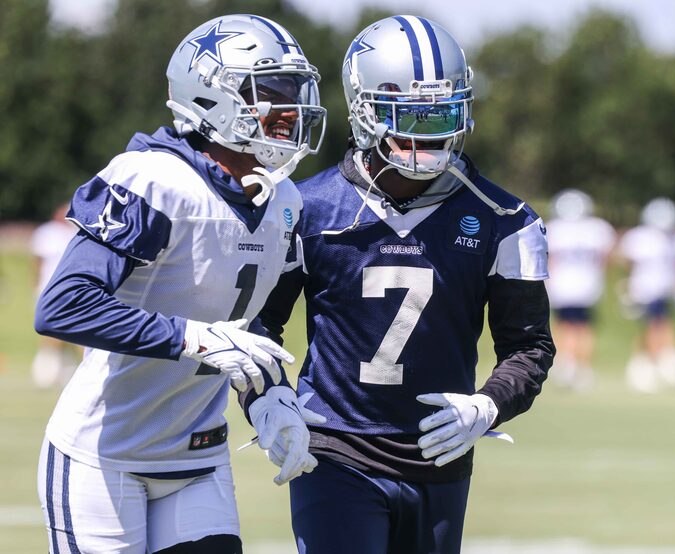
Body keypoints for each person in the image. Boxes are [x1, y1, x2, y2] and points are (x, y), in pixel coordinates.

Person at [253, 15, 553, 554]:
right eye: (411, 115)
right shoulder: (304, 207)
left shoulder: (504, 218)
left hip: (439, 451)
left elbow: (529, 347)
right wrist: (266, 398)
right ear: (365, 110)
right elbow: (258, 324)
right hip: (335, 447)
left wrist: (486, 406)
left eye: (443, 111)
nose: (430, 132)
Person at [33, 14, 326, 553]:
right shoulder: (153, 179)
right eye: (272, 92)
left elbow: (240, 312)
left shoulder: (282, 200)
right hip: (103, 456)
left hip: (196, 455)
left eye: (295, 91)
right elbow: (62, 306)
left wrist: (269, 397)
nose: (290, 111)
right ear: (212, 95)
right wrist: (196, 339)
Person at [544, 189, 615, 390]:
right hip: (588, 285)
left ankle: (565, 365)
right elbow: (606, 257)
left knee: (563, 325)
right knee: (583, 327)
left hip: (561, 285)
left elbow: (549, 259)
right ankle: (582, 369)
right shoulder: (597, 228)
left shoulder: (553, 228)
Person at [619, 198, 675, 392]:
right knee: (650, 327)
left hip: (663, 289)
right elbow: (628, 262)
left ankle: (658, 363)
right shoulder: (640, 236)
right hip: (644, 290)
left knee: (661, 324)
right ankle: (646, 366)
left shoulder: (673, 238)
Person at [30, 202, 81, 388]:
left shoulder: (76, 232)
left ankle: (68, 371)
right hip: (49, 288)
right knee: (51, 334)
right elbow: (38, 260)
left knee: (77, 332)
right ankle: (48, 373)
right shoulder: (47, 232)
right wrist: (36, 284)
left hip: (73, 289)